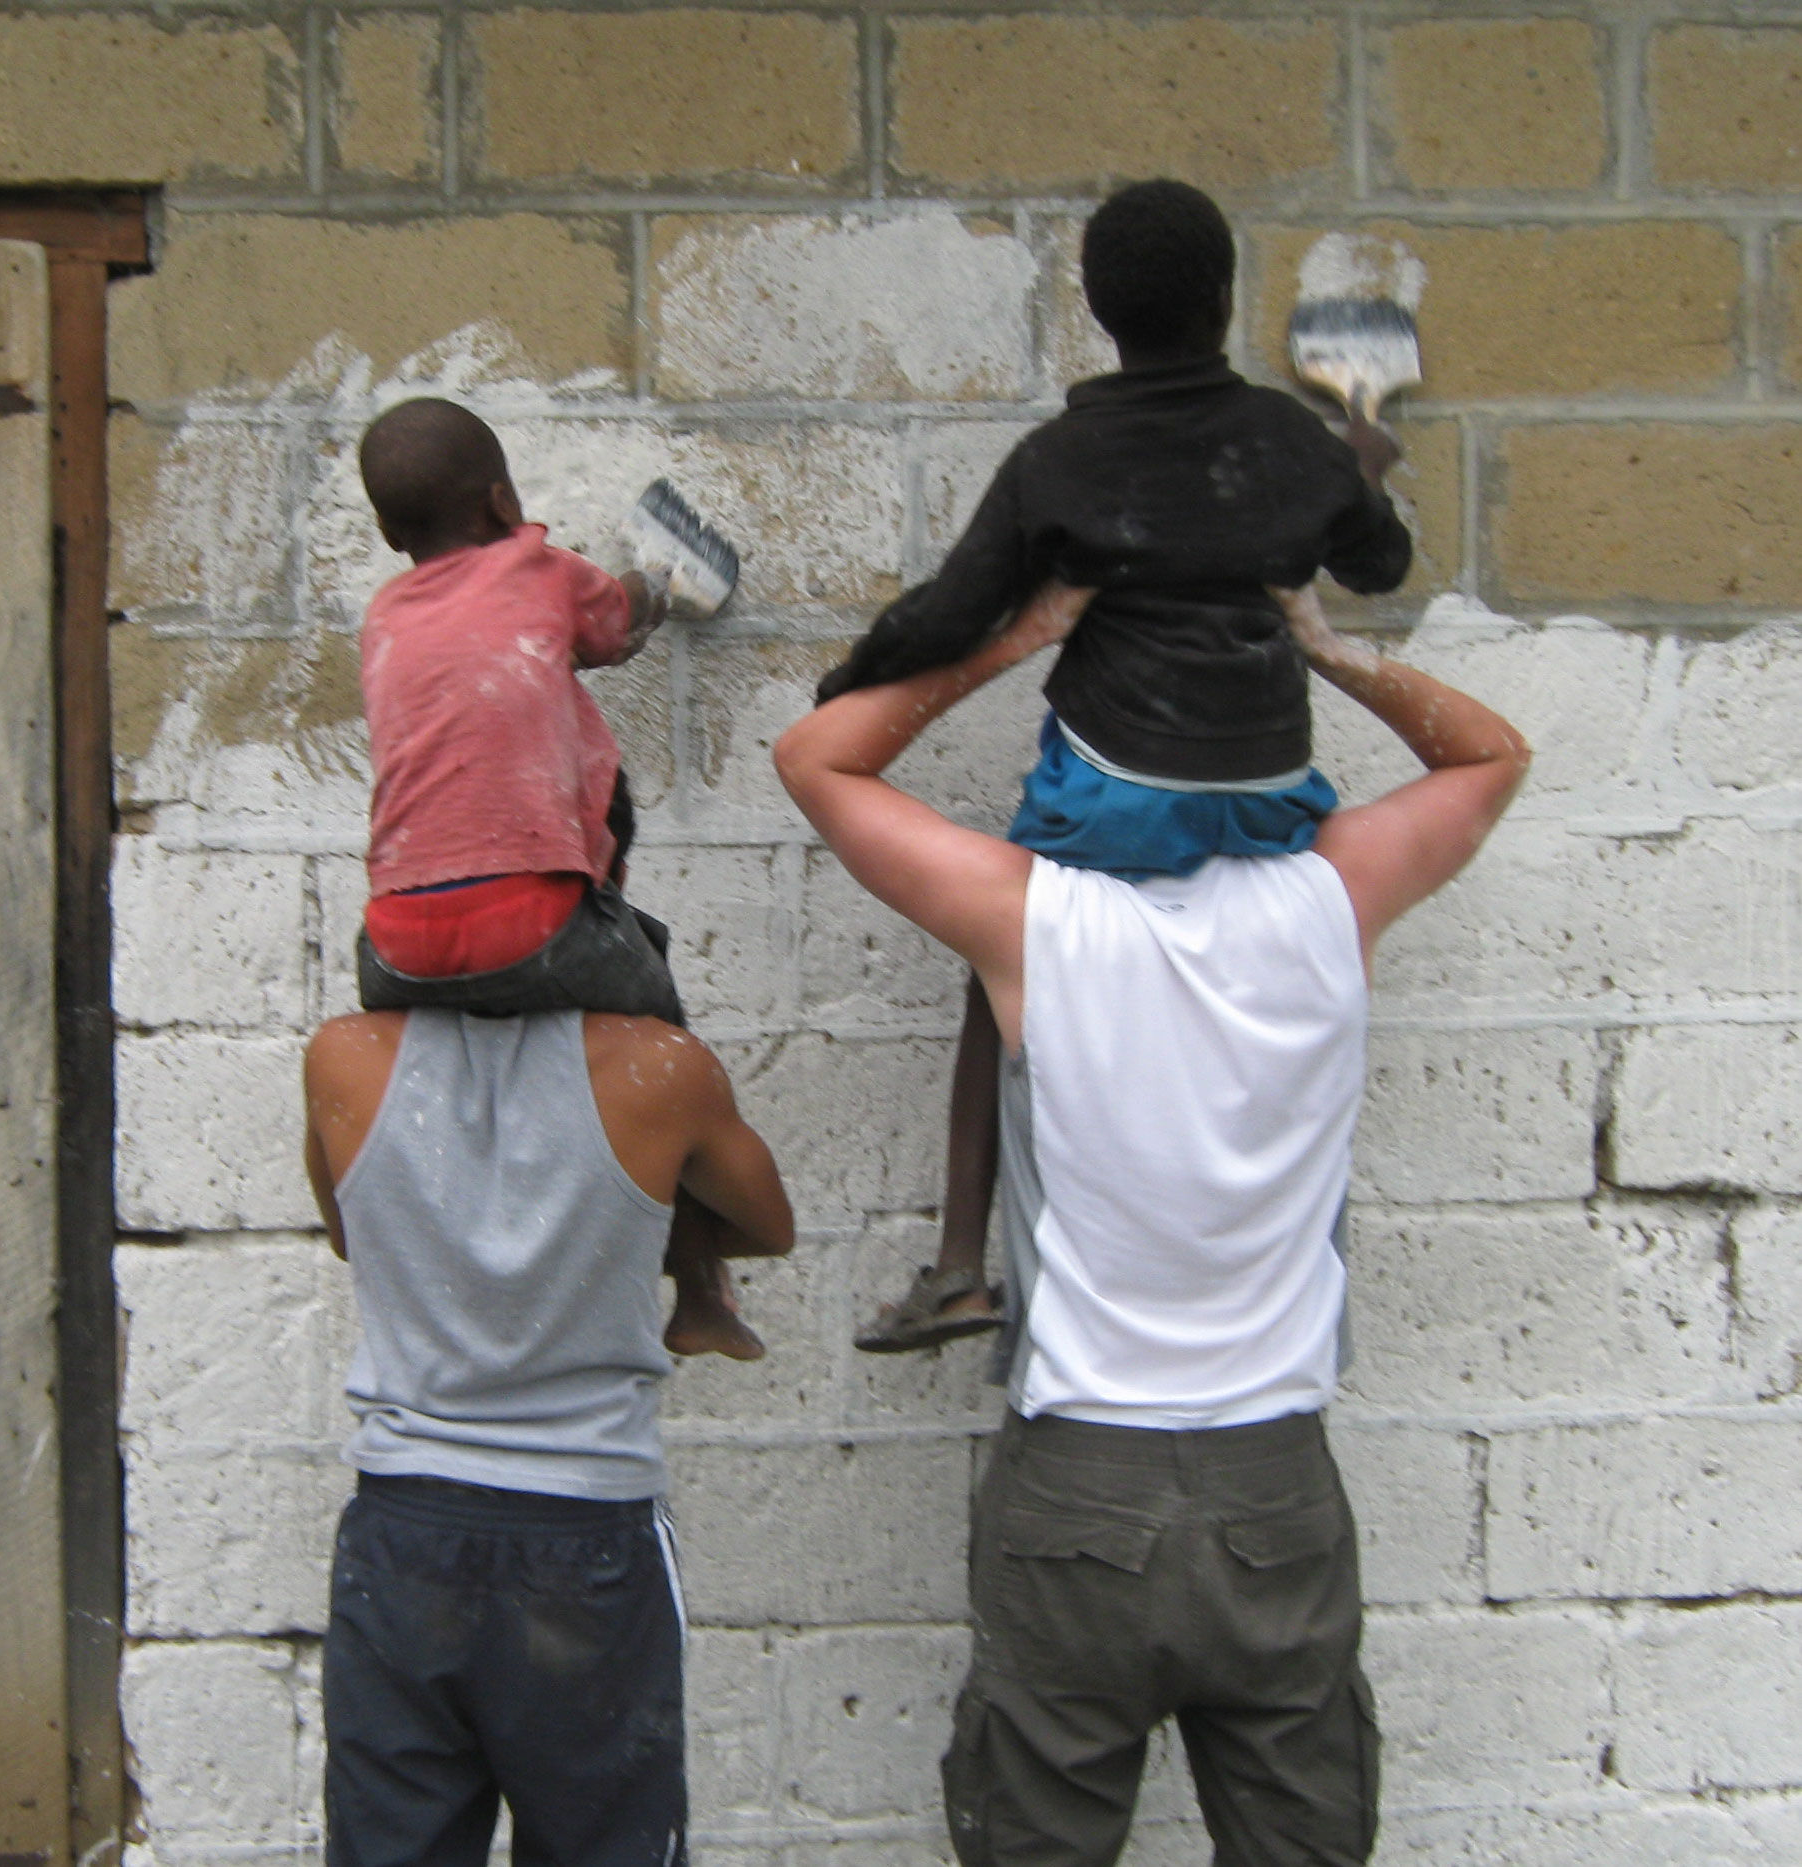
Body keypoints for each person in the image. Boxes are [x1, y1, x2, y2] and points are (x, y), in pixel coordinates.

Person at [776, 579, 1529, 1867]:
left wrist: (1022, 636)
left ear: (1087, 764)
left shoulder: (1038, 923)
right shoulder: (1335, 900)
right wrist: (1323, 643)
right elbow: (1490, 753)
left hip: (1079, 1482)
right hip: (1274, 1488)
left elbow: (817, 754)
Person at [820, 181, 1413, 1351]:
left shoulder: (1064, 460)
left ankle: (956, 1267)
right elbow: (1379, 564)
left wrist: (850, 683)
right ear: (1227, 300)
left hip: (1118, 793)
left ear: (1094, 309)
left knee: (1001, 976)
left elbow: (952, 613)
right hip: (1267, 798)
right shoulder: (1298, 446)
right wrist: (1366, 464)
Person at [302, 999, 794, 1867]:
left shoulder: (342, 1055)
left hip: (407, 1525)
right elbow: (769, 1224)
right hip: (588, 1538)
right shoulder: (662, 1067)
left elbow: (352, 1231)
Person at [353, 395, 761, 1359]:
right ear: (502, 503)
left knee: (462, 1061)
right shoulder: (538, 573)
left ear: (386, 530)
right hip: (530, 925)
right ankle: (700, 1287)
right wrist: (655, 583)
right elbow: (615, 625)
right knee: (665, 1048)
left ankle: (470, 1271)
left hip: (395, 944)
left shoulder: (380, 617)